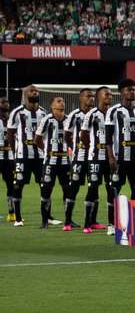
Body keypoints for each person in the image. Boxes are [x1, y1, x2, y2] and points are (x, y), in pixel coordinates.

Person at [106, 78, 135, 224]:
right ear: (121, 92)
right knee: (115, 189)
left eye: (133, 89)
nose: (132, 92)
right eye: (128, 89)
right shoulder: (113, 111)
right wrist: (111, 158)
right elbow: (108, 137)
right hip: (120, 158)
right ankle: (112, 223)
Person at [6, 85, 46, 227]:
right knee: (18, 185)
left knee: (45, 184)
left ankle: (47, 217)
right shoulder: (17, 112)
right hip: (23, 155)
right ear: (25, 94)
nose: (35, 93)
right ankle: (17, 218)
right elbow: (10, 133)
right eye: (32, 91)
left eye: (36, 91)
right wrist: (14, 151)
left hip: (40, 156)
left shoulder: (43, 113)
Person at [64, 89, 101, 231]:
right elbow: (67, 135)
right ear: (81, 98)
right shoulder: (74, 115)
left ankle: (93, 221)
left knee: (94, 187)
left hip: (94, 158)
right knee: (74, 188)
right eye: (88, 96)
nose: (91, 99)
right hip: (79, 158)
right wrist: (74, 148)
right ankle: (67, 221)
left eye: (92, 96)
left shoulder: (97, 115)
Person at [33, 96, 70, 228]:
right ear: (52, 106)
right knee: (46, 190)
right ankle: (45, 221)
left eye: (63, 101)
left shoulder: (68, 119)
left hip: (65, 161)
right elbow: (37, 139)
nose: (62, 103)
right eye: (58, 101)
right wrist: (47, 150)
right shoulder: (47, 120)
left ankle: (69, 220)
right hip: (50, 162)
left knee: (68, 190)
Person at [94, 86, 117, 233]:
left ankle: (111, 224)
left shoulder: (115, 112)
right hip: (96, 158)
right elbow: (82, 135)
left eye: (110, 94)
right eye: (106, 94)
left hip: (112, 158)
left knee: (112, 189)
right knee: (93, 188)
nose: (109, 96)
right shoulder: (92, 114)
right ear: (99, 96)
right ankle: (89, 222)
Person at [0, 96, 12, 222]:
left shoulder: (12, 119)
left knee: (11, 185)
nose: (6, 104)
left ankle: (11, 213)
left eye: (7, 102)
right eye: (3, 102)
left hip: (9, 158)